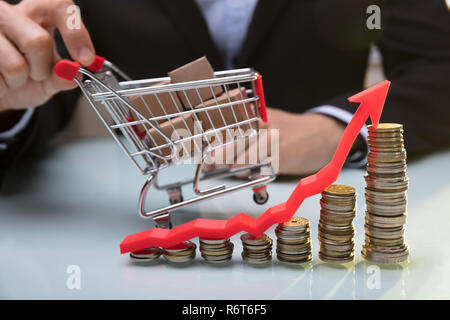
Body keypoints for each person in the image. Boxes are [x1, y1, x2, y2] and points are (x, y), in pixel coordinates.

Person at [0, 0, 449, 187]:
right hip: (155, 194)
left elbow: (440, 67)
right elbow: (41, 70)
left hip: (320, 204)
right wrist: (7, 98)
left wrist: (336, 130)